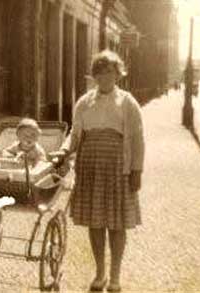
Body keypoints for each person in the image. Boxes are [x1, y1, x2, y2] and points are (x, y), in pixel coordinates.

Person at [49, 50, 144, 292]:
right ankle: (100, 273)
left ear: (118, 74)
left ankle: (115, 277)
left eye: (110, 72)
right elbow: (75, 135)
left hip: (117, 169)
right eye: (100, 73)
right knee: (95, 222)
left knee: (117, 223)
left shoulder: (127, 102)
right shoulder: (84, 102)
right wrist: (63, 151)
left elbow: (137, 138)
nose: (105, 77)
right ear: (95, 75)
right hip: (89, 167)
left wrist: (136, 171)